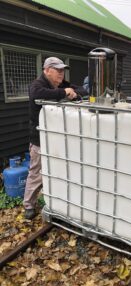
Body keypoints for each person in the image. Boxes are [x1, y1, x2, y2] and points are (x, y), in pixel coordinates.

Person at [23, 57, 88, 220]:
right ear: (46, 70)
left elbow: (80, 89)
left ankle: (60, 201)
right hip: (39, 137)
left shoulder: (61, 84)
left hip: (58, 135)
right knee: (36, 172)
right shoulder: (37, 85)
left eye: (62, 70)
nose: (61, 73)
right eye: (57, 70)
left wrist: (75, 93)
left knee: (60, 168)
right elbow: (38, 94)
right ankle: (28, 205)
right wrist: (64, 93)